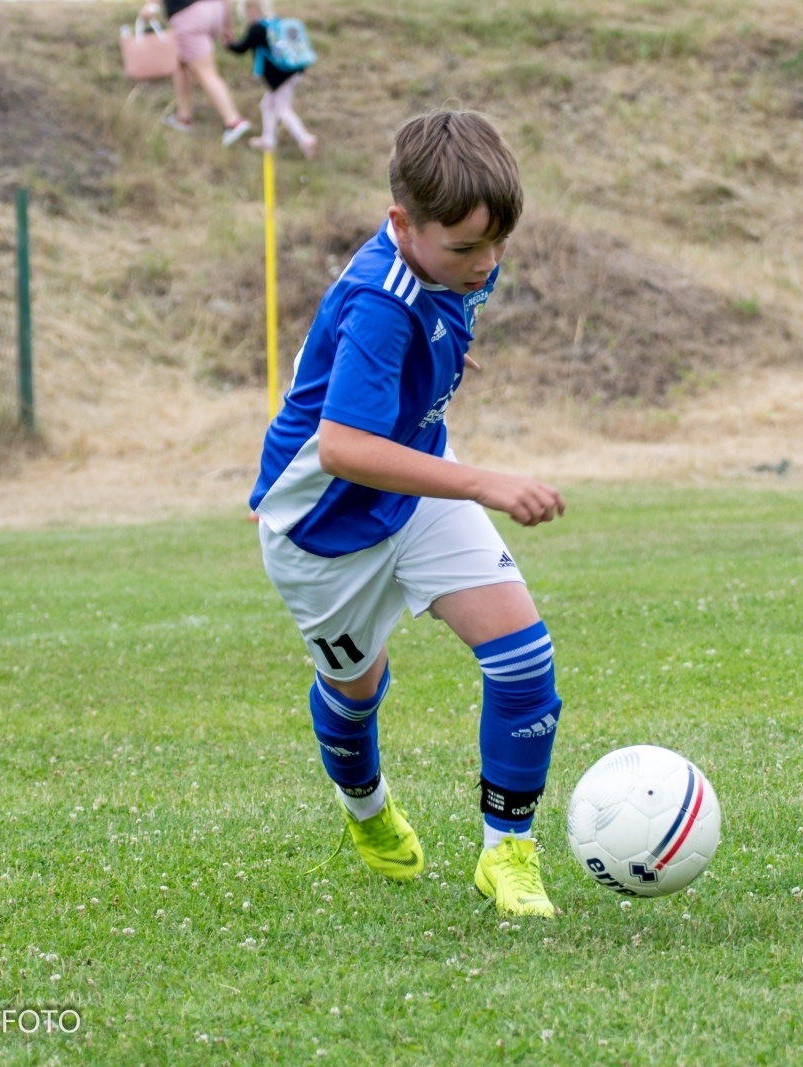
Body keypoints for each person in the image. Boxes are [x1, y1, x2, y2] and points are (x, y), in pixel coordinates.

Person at [250, 111, 567, 918]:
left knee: (523, 660)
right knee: (356, 691)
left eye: (498, 243)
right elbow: (342, 447)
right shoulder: (378, 303)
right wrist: (485, 482)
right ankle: (364, 805)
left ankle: (507, 853)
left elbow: (444, 308)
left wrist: (445, 352)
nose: (485, 264)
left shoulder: (457, 261)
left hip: (417, 494)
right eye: (465, 249)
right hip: (321, 533)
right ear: (402, 224)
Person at [140, 0, 253, 145]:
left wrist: (151, 6)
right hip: (215, 10)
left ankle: (233, 121)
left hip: (190, 14)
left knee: (205, 72)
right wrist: (227, 26)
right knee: (179, 62)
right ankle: (183, 117)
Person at [227, 0, 318, 159]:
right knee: (267, 104)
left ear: (250, 10)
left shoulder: (256, 29)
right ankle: (268, 139)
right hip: (293, 71)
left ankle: (305, 138)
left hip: (282, 77)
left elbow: (241, 49)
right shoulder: (274, 23)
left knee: (283, 109)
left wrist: (228, 43)